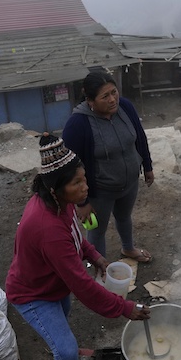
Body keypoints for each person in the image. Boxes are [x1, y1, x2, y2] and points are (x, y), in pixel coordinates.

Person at [6, 133, 150, 360]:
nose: (85, 188)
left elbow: (76, 236)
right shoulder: (46, 227)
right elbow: (81, 285)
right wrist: (124, 307)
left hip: (53, 283)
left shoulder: (63, 203)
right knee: (67, 350)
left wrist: (95, 256)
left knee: (62, 324)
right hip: (32, 294)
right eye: (77, 183)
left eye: (84, 179)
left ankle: (58, 344)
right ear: (54, 188)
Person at [62, 72, 154, 263]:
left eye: (114, 92)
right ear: (90, 101)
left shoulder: (125, 107)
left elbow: (140, 137)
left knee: (124, 217)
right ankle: (99, 270)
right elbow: (70, 167)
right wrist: (82, 202)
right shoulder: (77, 124)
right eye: (105, 96)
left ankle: (128, 248)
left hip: (129, 183)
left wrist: (147, 165)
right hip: (100, 192)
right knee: (97, 231)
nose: (113, 99)